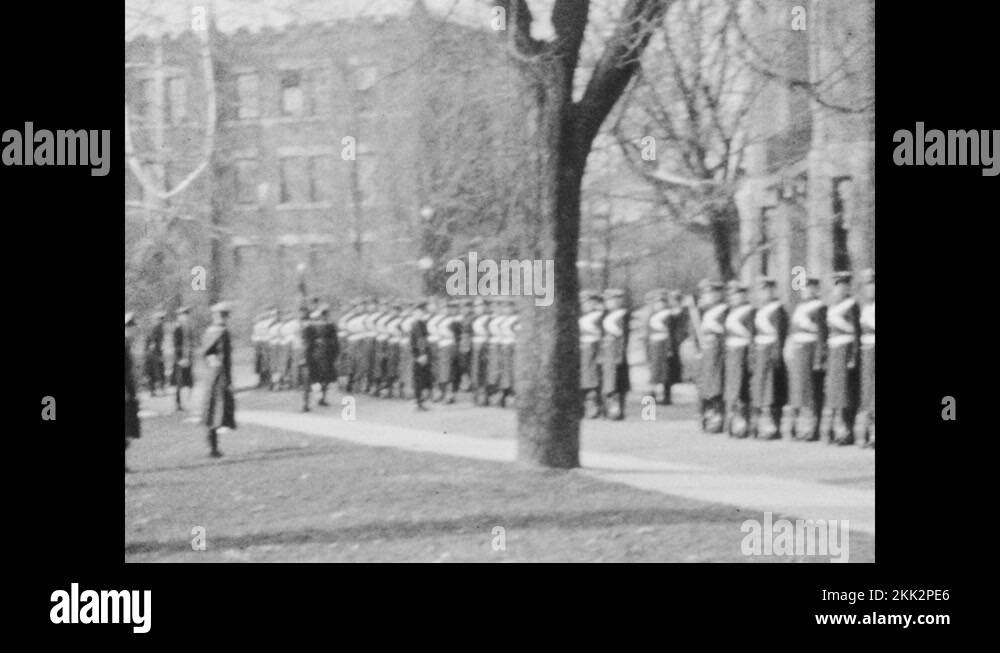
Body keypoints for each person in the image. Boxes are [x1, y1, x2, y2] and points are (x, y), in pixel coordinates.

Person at [782, 277, 827, 441]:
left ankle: (812, 428)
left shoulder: (820, 308)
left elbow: (822, 335)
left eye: (810, 288)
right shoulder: (799, 307)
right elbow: (792, 331)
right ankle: (798, 426)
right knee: (798, 391)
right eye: (805, 288)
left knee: (810, 392)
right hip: (798, 352)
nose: (807, 291)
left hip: (810, 350)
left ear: (816, 289)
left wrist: (818, 359)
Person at [821, 271, 861, 445]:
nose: (841, 288)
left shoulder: (852, 305)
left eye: (844, 285)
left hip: (845, 351)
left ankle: (847, 431)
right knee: (834, 393)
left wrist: (854, 355)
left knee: (847, 393)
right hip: (834, 352)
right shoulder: (831, 306)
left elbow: (857, 333)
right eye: (838, 285)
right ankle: (835, 429)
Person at [750, 278, 788, 439]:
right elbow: (754, 335)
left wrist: (776, 355)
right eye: (762, 291)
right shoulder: (760, 311)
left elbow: (780, 334)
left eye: (768, 290)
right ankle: (758, 424)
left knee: (772, 391)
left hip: (771, 354)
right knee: (760, 390)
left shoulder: (777, 310)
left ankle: (774, 425)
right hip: (760, 354)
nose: (765, 294)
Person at [692, 281, 728, 433]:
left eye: (712, 293)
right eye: (706, 294)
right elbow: (696, 332)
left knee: (716, 385)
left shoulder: (724, 310)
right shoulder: (703, 312)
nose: (709, 296)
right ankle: (705, 415)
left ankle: (717, 415)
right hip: (705, 352)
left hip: (718, 353)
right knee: (704, 385)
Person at [201, 302, 236, 458]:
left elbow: (207, 353)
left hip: (213, 374)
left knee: (213, 408)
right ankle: (213, 447)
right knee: (217, 408)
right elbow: (219, 356)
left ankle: (213, 445)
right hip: (219, 375)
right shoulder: (222, 332)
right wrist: (225, 376)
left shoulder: (210, 331)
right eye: (222, 315)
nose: (223, 318)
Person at [723, 282, 755, 438]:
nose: (735, 298)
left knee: (742, 389)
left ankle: (744, 422)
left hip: (743, 352)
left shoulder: (749, 312)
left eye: (738, 294)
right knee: (731, 389)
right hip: (731, 353)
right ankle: (730, 421)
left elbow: (751, 335)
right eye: (733, 295)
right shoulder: (730, 312)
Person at [600, 288, 630, 420]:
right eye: (608, 300)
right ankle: (608, 409)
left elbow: (624, 337)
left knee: (620, 383)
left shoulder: (623, 315)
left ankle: (619, 409)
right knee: (608, 384)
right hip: (607, 353)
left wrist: (619, 354)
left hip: (618, 353)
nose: (610, 303)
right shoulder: (604, 315)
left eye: (613, 300)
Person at [855, 269, 875, 448]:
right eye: (867, 285)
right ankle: (869, 433)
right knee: (868, 393)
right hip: (867, 352)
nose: (870, 289)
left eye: (872, 285)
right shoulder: (865, 307)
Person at [644, 289, 674, 405]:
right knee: (654, 371)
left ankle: (666, 394)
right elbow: (647, 333)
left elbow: (671, 332)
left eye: (661, 302)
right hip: (653, 345)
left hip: (664, 345)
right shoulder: (651, 316)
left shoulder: (668, 315)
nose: (659, 305)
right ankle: (652, 393)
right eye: (656, 302)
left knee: (665, 371)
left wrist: (670, 347)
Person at [579, 291, 604, 418]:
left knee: (594, 376)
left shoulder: (600, 316)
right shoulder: (579, 316)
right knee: (582, 376)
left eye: (590, 302)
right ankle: (583, 404)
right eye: (584, 303)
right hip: (581, 349)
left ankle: (595, 403)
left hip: (595, 347)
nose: (587, 305)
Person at [125, 313, 141, 473]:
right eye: (132, 327)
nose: (135, 330)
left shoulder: (128, 345)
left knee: (128, 429)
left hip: (129, 391)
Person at [171, 306, 195, 412]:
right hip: (180, 359)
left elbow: (190, 343)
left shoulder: (188, 328)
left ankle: (188, 401)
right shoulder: (177, 328)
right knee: (179, 382)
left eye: (186, 315)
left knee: (189, 380)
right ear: (179, 317)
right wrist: (180, 359)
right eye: (183, 315)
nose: (186, 317)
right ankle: (178, 403)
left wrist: (189, 357)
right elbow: (175, 345)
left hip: (188, 357)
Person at [409, 301, 433, 410]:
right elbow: (420, 340)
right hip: (419, 355)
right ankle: (418, 402)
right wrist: (422, 354)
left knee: (421, 378)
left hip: (419, 354)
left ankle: (419, 401)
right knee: (419, 378)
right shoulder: (417, 324)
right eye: (419, 312)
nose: (421, 313)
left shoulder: (420, 323)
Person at [469, 298, 493, 405]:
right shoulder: (472, 319)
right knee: (475, 371)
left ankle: (485, 395)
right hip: (475, 346)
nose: (478, 308)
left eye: (480, 306)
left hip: (485, 345)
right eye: (476, 306)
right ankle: (476, 394)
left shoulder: (489, 319)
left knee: (485, 371)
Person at [144, 311, 167, 396]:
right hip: (153, 353)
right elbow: (150, 342)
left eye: (162, 319)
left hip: (158, 352)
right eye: (159, 319)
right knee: (154, 372)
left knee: (160, 371)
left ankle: (159, 389)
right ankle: (153, 390)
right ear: (155, 319)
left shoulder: (161, 328)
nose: (161, 320)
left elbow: (161, 342)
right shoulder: (154, 329)